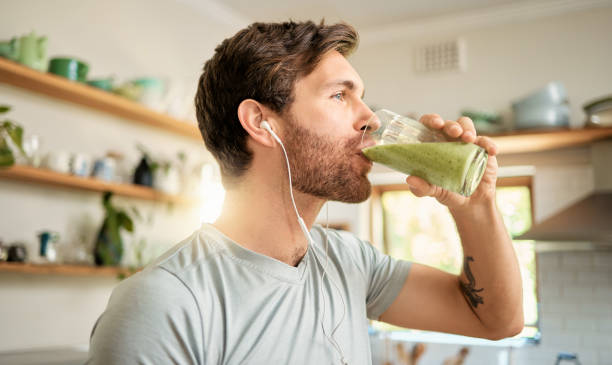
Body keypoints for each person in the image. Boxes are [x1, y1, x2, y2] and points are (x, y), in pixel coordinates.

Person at [87, 20, 523, 365]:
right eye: (340, 96)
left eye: (363, 99)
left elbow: (497, 321)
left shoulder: (350, 263)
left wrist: (476, 205)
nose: (370, 117)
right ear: (261, 122)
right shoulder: (165, 303)